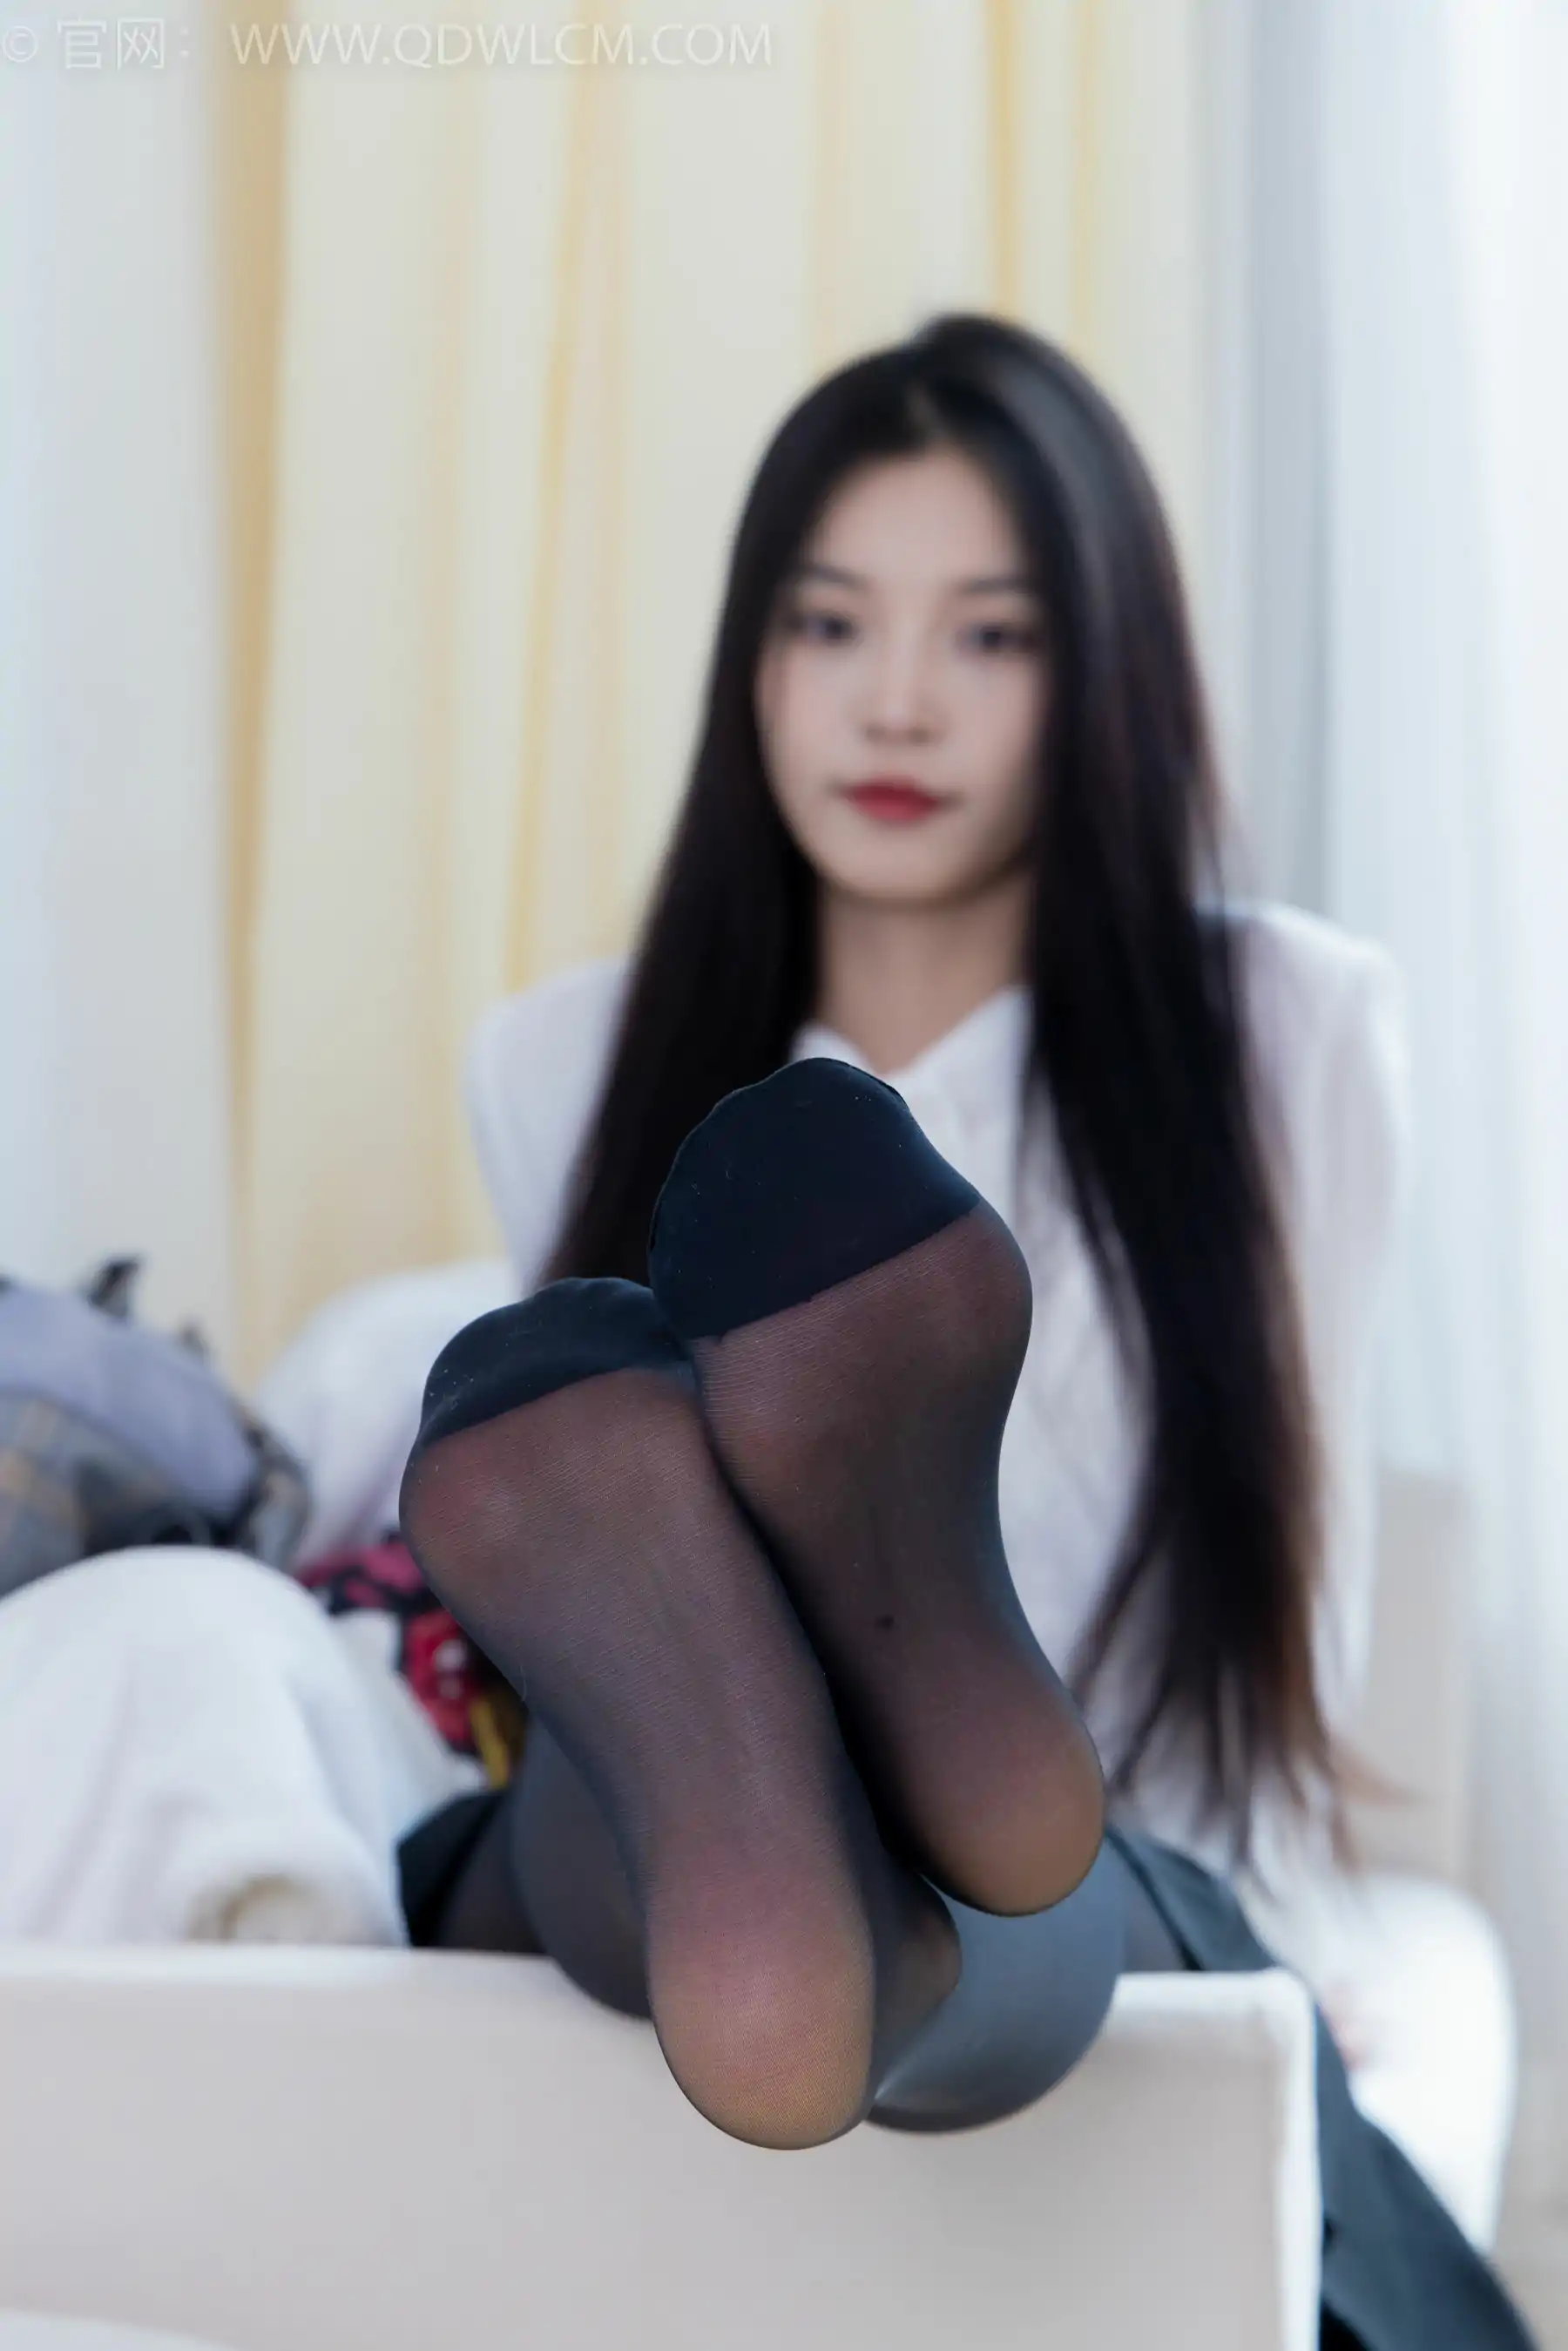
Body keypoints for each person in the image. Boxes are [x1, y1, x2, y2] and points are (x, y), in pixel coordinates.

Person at [389, 316, 1531, 2346]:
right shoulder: (560, 1058)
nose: (896, 699)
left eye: (989, 635)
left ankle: (922, 1762)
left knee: (922, 1876)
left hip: (1106, 1863)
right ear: (752, 659)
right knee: (667, 1737)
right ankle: (829, 1773)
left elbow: (1306, 1564)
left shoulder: (1282, 1037)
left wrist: (1279, 1940)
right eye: (830, 623)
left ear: (1104, 671)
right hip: (682, 1845)